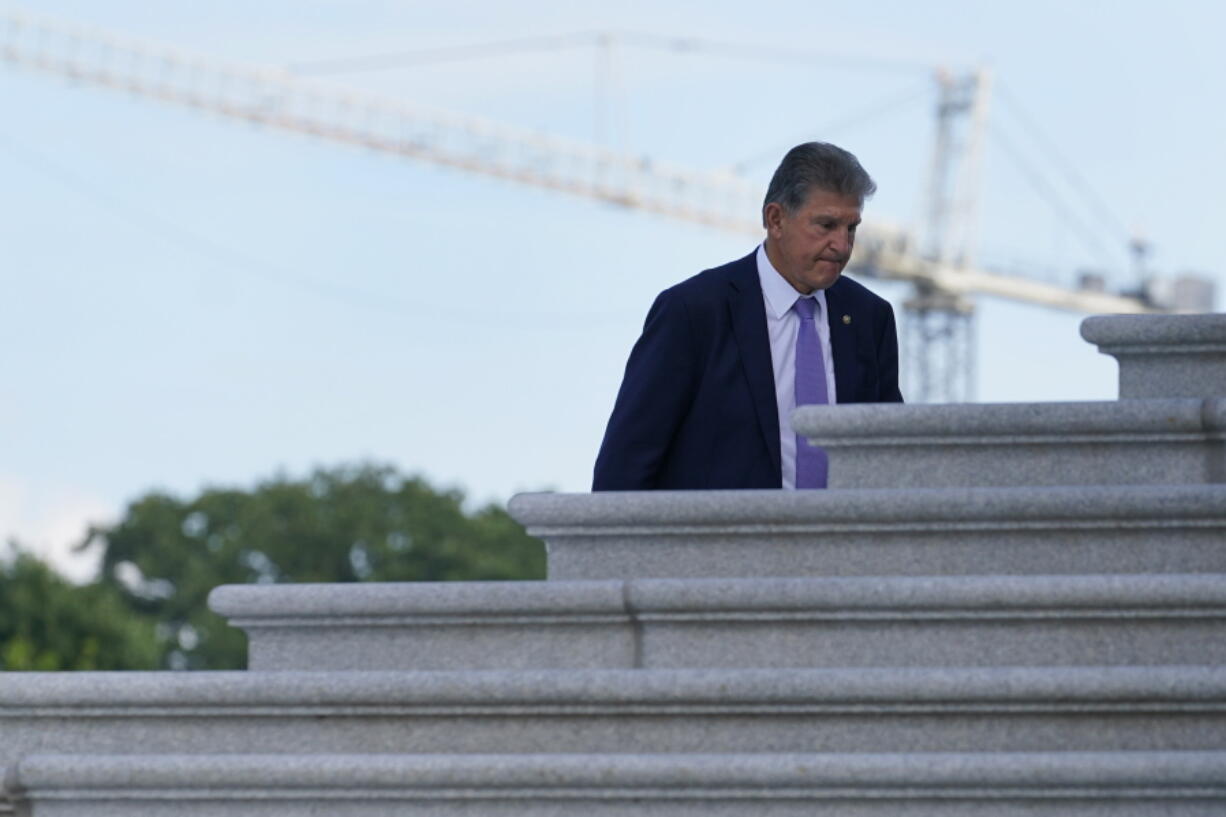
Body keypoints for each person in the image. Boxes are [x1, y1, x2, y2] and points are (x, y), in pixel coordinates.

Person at [592, 141, 902, 491]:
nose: (842, 245)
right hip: (720, 543)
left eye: (851, 228)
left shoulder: (869, 318)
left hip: (843, 543)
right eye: (826, 225)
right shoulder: (693, 312)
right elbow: (626, 465)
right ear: (775, 219)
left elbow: (888, 456)